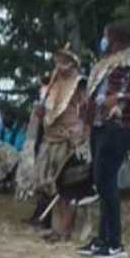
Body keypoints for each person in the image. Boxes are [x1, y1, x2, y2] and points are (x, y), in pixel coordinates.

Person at [78, 22, 130, 258]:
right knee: (100, 182)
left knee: (107, 180)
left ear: (115, 38)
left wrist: (121, 96)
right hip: (99, 126)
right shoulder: (104, 63)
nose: (103, 40)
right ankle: (103, 238)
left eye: (105, 35)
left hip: (119, 125)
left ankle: (114, 242)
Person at [34, 47, 88, 242]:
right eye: (58, 59)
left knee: (69, 186)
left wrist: (82, 137)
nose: (59, 64)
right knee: (52, 187)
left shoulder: (80, 84)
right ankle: (57, 228)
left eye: (64, 60)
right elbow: (47, 114)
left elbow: (86, 111)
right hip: (51, 140)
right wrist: (40, 114)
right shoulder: (53, 84)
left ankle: (66, 229)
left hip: (70, 141)